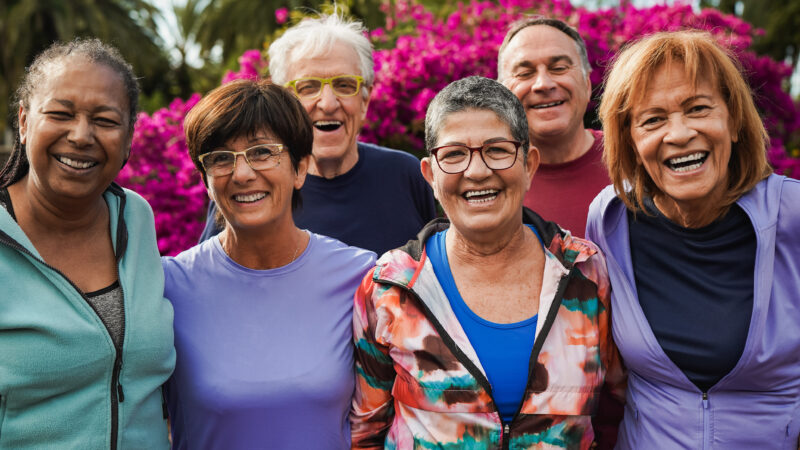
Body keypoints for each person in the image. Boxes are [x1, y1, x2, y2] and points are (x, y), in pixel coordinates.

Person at [351, 76, 624, 449]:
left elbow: (620, 408)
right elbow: (365, 432)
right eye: (454, 154)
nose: (477, 171)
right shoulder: (389, 288)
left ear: (529, 165)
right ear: (430, 175)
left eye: (497, 150)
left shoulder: (586, 273)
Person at [587, 31, 800, 449]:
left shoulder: (792, 214)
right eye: (653, 119)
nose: (680, 134)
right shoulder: (610, 218)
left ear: (734, 121)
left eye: (698, 109)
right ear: (630, 140)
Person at [162, 79, 376, 449]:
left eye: (262, 152)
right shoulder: (170, 286)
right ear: (205, 180)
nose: (242, 173)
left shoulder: (360, 276)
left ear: (300, 168)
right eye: (221, 158)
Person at [0, 39, 175, 448]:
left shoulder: (135, 217)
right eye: (60, 114)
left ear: (129, 137)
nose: (81, 136)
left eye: (105, 120)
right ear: (24, 122)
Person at [198, 13, 436, 255]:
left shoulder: (405, 175)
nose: (328, 103)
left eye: (344, 85)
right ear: (281, 104)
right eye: (308, 87)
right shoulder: (250, 190)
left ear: (364, 100)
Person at [497, 17, 608, 238]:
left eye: (558, 68)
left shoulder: (633, 160)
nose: (543, 84)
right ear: (503, 95)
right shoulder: (489, 179)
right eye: (524, 73)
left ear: (587, 85)